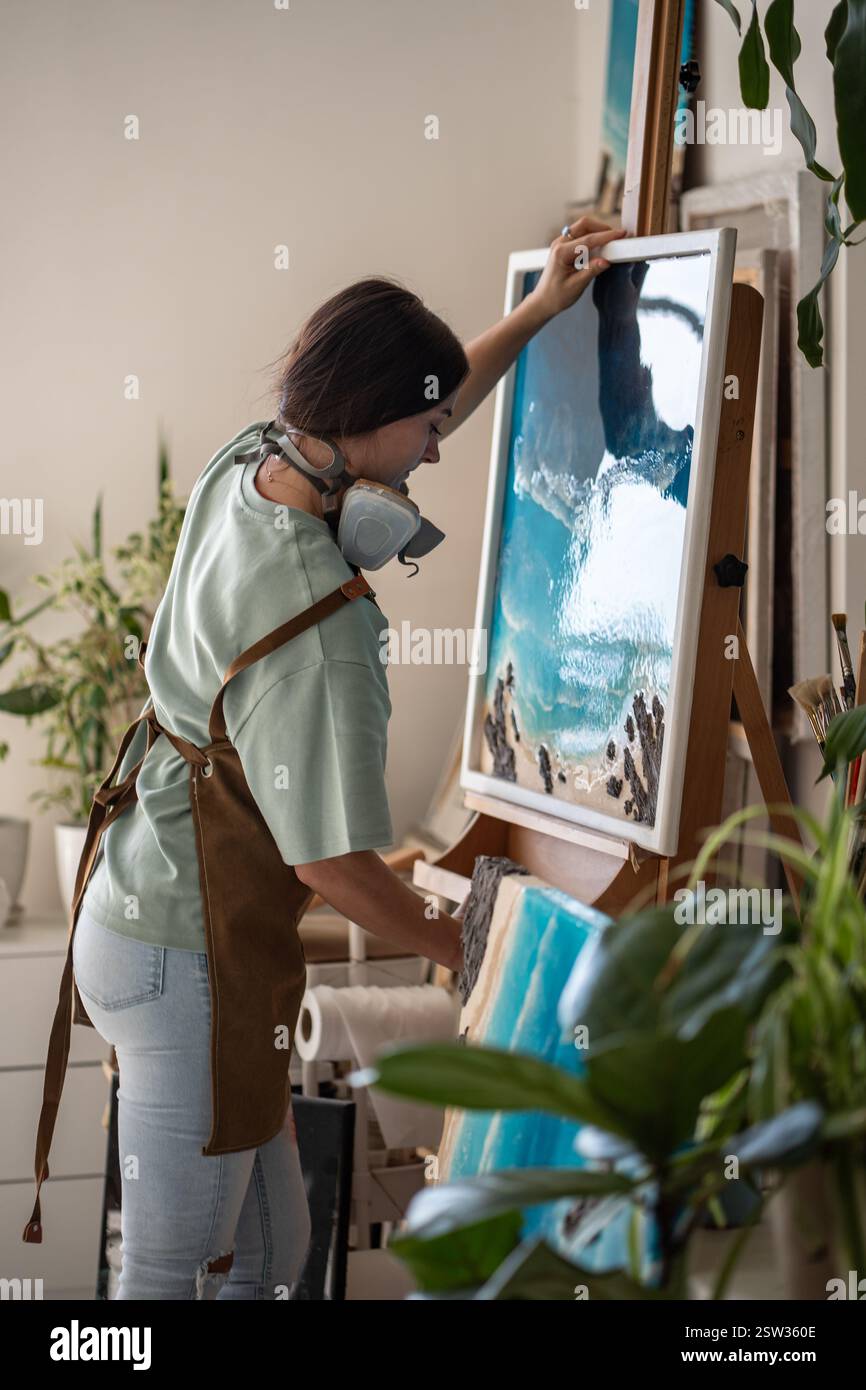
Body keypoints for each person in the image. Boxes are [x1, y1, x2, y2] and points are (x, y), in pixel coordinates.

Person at [68, 217, 624, 1299]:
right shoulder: (320, 630)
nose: (435, 448)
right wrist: (454, 942)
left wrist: (539, 308)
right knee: (169, 1271)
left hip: (147, 910)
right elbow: (328, 866)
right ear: (366, 422)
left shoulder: (256, 455)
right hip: (186, 959)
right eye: (425, 431)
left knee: (271, 1258)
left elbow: (424, 391)